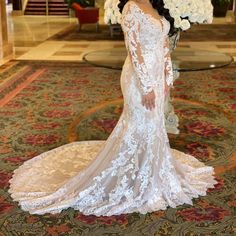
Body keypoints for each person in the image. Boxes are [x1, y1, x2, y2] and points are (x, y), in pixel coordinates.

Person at [8, 0, 217, 216]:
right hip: (138, 77)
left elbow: (164, 44)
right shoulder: (131, 8)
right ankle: (132, 174)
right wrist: (146, 87)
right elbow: (133, 48)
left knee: (155, 123)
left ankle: (150, 168)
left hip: (156, 75)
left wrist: (166, 76)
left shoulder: (156, 5)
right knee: (139, 124)